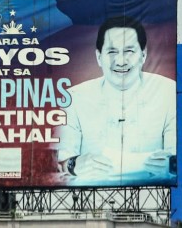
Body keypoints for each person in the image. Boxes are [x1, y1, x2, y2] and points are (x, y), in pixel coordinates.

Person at [54, 16, 175, 183]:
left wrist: (171, 165)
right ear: (98, 57)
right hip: (88, 195)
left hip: (152, 190)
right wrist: (74, 164)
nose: (120, 61)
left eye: (129, 51)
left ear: (143, 55)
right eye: (112, 52)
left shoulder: (168, 92)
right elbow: (59, 162)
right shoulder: (74, 97)